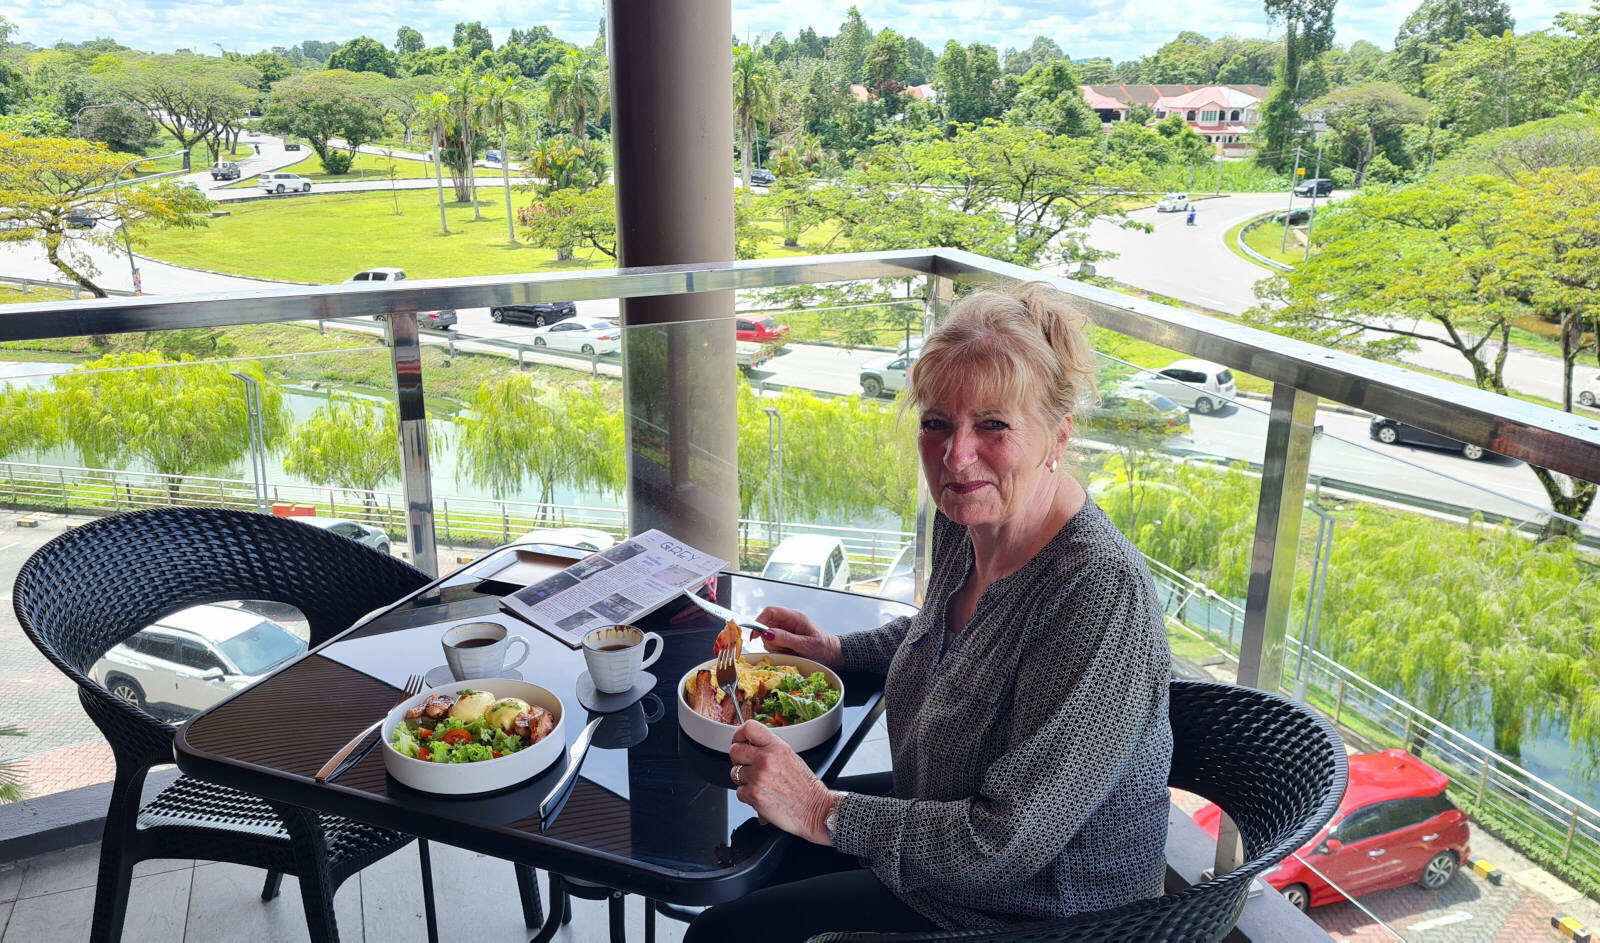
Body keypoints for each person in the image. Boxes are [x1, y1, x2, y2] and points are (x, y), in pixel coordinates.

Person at [685, 283, 1173, 941]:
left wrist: (824, 809)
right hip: (938, 841)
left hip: (1033, 914)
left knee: (725, 934)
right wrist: (838, 650)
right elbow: (953, 639)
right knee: (741, 856)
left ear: (1058, 435)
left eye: (993, 425)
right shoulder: (970, 517)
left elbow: (1006, 842)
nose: (955, 454)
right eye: (936, 421)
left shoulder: (1098, 593)